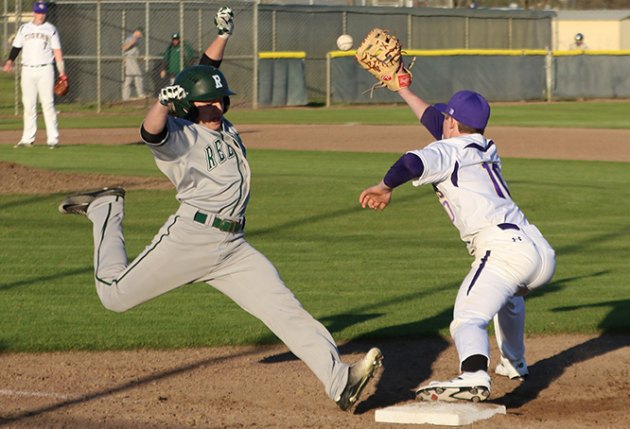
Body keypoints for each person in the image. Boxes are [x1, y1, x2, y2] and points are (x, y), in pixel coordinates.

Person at [58, 6, 382, 412]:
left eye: (220, 99)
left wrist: (223, 35)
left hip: (232, 246)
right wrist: (162, 100)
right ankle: (106, 208)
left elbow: (205, 70)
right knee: (114, 296)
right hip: (192, 238)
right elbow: (149, 131)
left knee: (284, 308)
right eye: (209, 103)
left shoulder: (221, 124)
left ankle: (340, 381)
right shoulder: (181, 136)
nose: (219, 106)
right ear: (190, 107)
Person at [359, 80, 556, 402]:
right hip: (540, 253)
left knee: (468, 317)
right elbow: (441, 127)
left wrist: (384, 186)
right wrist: (404, 91)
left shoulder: (445, 151)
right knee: (508, 296)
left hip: (503, 249)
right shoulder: (485, 147)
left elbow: (411, 162)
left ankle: (474, 375)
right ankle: (514, 362)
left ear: (452, 121)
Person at [2, 1, 66, 149]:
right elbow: (16, 46)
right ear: (33, 12)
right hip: (27, 69)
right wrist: (10, 61)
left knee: (48, 104)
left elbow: (57, 51)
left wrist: (61, 71)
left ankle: (53, 139)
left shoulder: (51, 29)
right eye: (38, 12)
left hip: (45, 69)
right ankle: (27, 138)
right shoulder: (24, 28)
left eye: (43, 13)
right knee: (29, 105)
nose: (40, 15)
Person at [122, 27, 146, 100]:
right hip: (130, 59)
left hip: (132, 59)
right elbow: (124, 47)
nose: (141, 35)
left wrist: (142, 57)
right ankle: (140, 93)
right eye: (141, 33)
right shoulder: (132, 38)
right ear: (137, 32)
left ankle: (125, 97)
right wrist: (132, 41)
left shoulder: (134, 38)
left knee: (129, 79)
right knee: (138, 75)